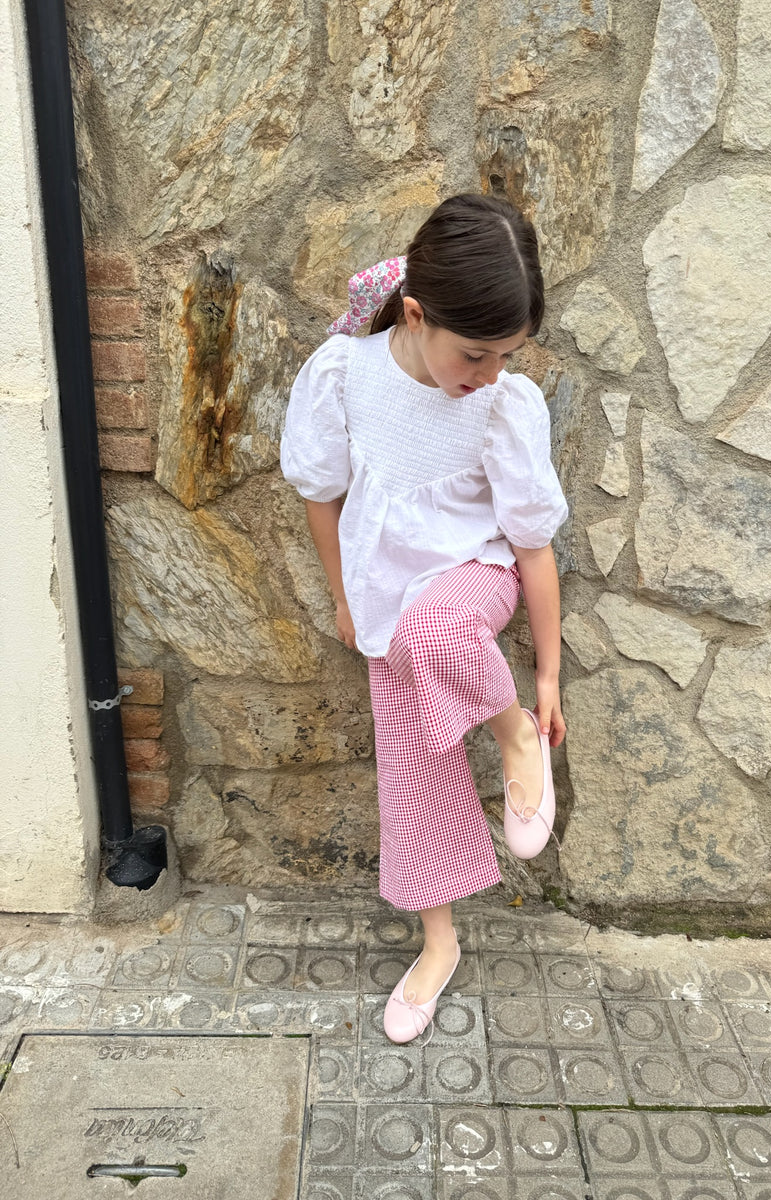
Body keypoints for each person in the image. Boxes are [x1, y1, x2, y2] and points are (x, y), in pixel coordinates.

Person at [281, 193, 568, 1043]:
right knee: (411, 774)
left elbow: (533, 546)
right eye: (476, 354)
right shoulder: (345, 374)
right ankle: (439, 943)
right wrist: (345, 598)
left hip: (474, 579)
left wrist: (547, 678)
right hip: (386, 600)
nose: (490, 373)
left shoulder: (502, 404)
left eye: (507, 355)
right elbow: (321, 497)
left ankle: (515, 740)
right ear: (415, 314)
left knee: (433, 629)